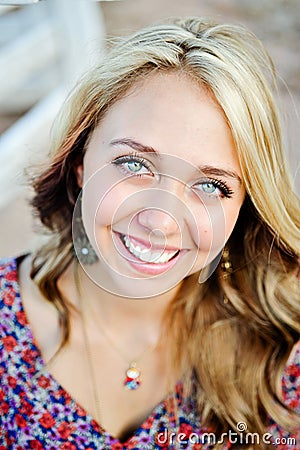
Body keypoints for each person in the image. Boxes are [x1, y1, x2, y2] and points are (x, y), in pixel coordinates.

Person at [0, 16, 299, 450]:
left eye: (210, 185)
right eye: (134, 164)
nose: (160, 221)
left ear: (245, 208)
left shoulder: (280, 352)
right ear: (80, 160)